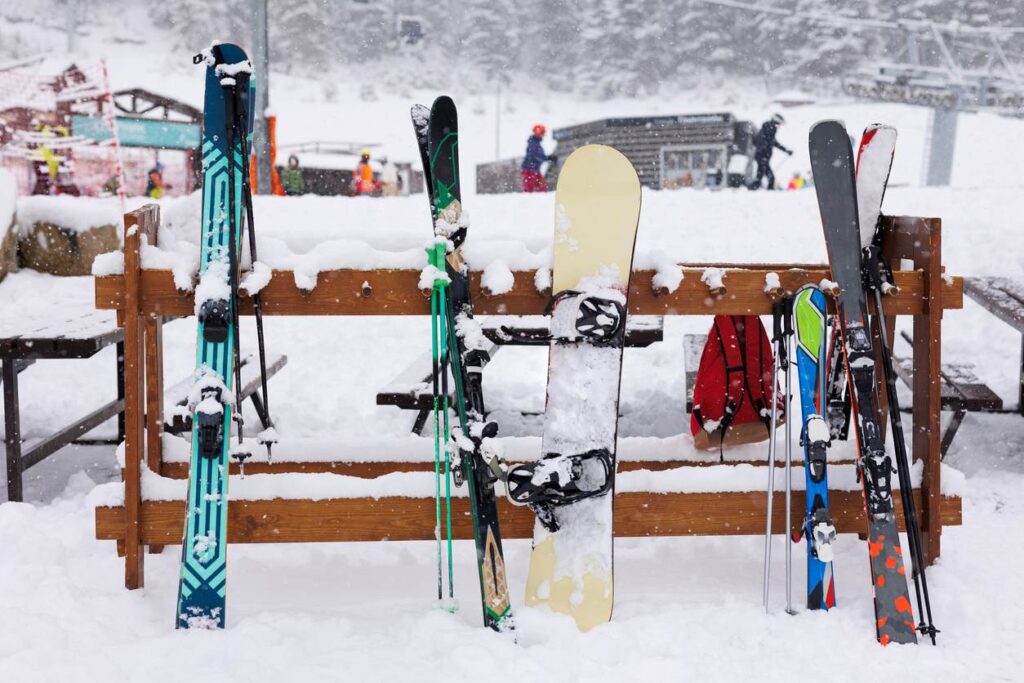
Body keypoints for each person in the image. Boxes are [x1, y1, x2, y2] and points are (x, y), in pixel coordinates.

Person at [751, 113, 792, 190]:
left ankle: (756, 188)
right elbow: (767, 142)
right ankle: (764, 189)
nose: (779, 126)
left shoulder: (768, 128)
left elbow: (772, 142)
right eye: (779, 123)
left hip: (762, 156)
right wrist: (764, 150)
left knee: (761, 174)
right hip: (763, 155)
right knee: (767, 176)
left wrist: (786, 150)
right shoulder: (769, 128)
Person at [521, 124, 553, 193]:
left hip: (535, 170)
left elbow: (538, 155)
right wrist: (546, 158)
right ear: (538, 132)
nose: (543, 135)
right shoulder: (532, 143)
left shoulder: (536, 143)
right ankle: (527, 202)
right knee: (529, 190)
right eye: (542, 133)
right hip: (529, 170)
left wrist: (548, 158)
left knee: (542, 188)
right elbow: (534, 155)